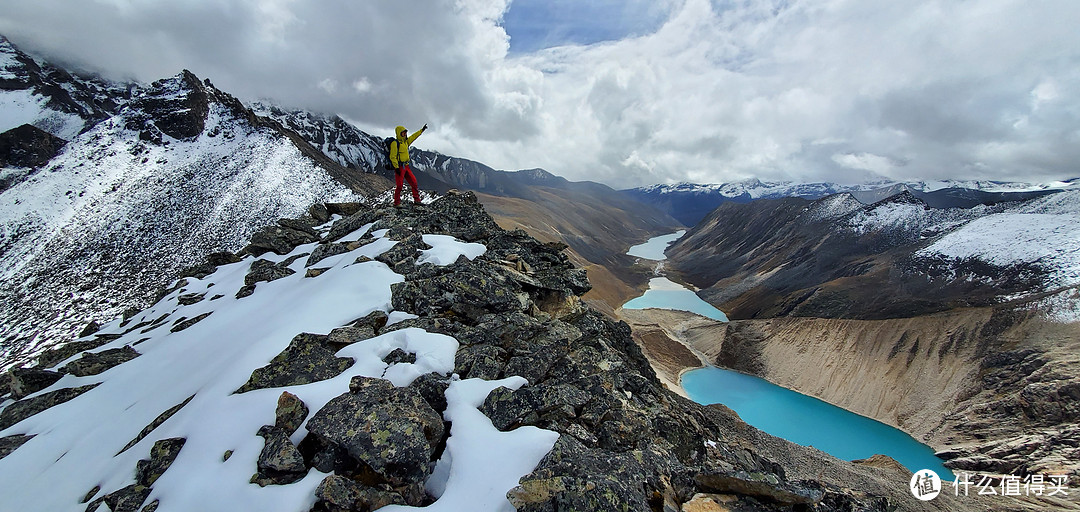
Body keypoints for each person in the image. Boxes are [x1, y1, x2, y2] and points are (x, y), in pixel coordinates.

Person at [390, 124, 427, 206]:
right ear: (399, 133)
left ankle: (417, 200)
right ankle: (396, 203)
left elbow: (413, 137)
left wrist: (421, 130)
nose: (405, 134)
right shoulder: (395, 143)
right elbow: (392, 156)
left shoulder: (405, 142)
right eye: (403, 132)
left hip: (406, 166)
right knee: (399, 186)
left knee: (414, 182)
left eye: (405, 132)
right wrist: (396, 168)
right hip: (399, 167)